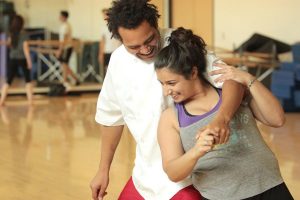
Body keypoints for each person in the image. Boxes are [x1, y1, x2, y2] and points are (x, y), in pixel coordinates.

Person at [90, 0, 244, 199]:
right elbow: (111, 118)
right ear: (120, 40)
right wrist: (103, 170)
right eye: (134, 46)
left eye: (150, 40)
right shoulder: (118, 61)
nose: (145, 50)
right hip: (145, 174)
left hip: (193, 175)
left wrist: (222, 118)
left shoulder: (180, 45)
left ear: (156, 25)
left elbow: (233, 80)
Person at [155, 27, 294, 200]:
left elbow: (277, 119)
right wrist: (196, 151)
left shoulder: (230, 91)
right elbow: (173, 172)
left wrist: (247, 78)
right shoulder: (171, 118)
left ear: (193, 72)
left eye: (171, 83)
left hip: (271, 186)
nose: (167, 91)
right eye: (162, 84)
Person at [0, 15, 33, 106]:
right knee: (28, 80)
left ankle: (1, 101)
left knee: (8, 81)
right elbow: (25, 48)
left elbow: (10, 44)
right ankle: (30, 102)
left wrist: (2, 43)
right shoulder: (24, 34)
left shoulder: (12, 33)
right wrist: (29, 61)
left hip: (13, 59)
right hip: (22, 59)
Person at [56, 10, 80, 86]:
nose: (59, 17)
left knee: (65, 64)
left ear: (63, 17)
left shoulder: (66, 26)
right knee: (64, 64)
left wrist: (60, 49)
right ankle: (75, 79)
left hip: (67, 47)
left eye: (60, 16)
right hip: (64, 47)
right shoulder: (63, 25)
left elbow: (65, 39)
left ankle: (64, 81)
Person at [98, 8, 121, 76]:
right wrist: (100, 54)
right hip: (107, 51)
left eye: (106, 14)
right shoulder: (103, 28)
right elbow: (102, 41)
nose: (105, 16)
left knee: (118, 69)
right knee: (107, 69)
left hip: (117, 50)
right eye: (103, 15)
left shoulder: (117, 26)